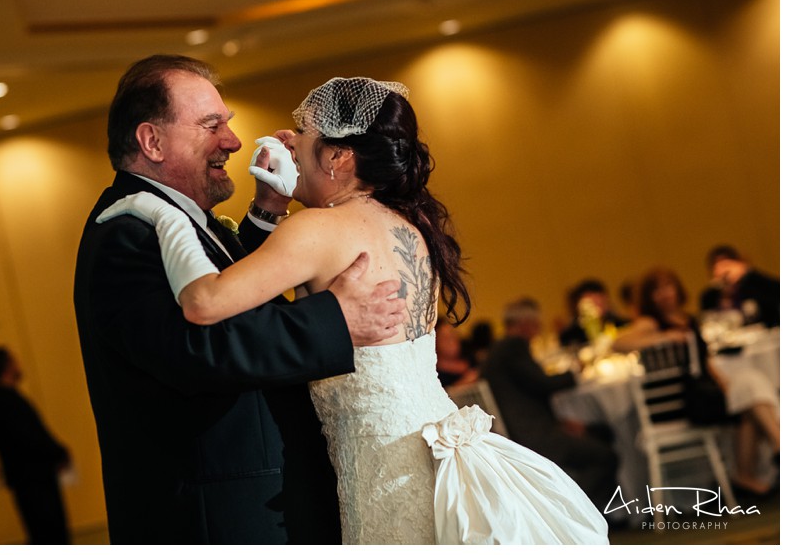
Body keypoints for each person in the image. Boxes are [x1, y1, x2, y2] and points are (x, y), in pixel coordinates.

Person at [98, 76, 608, 544]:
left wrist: (158, 215)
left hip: (379, 469)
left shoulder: (316, 230)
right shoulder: (410, 227)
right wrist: (270, 209)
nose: (288, 142)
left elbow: (206, 301)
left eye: (302, 132)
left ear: (338, 158)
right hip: (428, 454)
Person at [73, 56, 407, 545]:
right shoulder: (126, 232)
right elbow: (197, 349)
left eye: (226, 123)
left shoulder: (174, 218)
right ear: (152, 141)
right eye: (212, 125)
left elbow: (229, 294)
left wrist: (266, 212)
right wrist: (333, 319)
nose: (232, 141)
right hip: (217, 520)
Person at [612, 266, 780, 496]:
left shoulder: (688, 319)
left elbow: (705, 362)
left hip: (707, 392)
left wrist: (723, 384)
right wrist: (663, 337)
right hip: (687, 402)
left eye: (668, 287)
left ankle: (749, 471)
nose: (665, 293)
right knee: (750, 388)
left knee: (749, 394)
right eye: (657, 290)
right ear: (649, 297)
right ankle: (776, 445)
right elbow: (619, 344)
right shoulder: (651, 322)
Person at [481, 298, 619, 511]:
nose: (538, 330)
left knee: (599, 434)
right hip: (535, 437)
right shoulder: (513, 347)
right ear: (525, 324)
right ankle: (570, 512)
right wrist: (576, 372)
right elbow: (542, 383)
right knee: (605, 456)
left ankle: (584, 511)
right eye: (536, 324)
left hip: (522, 431)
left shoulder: (496, 351)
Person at [0, 347, 71, 544]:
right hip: (35, 484)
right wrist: (58, 452)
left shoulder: (1, 402)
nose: (19, 364)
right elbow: (31, 438)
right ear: (7, 365)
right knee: (50, 536)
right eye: (15, 360)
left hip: (31, 483)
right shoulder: (7, 403)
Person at [698, 244, 780, 327]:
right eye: (716, 268)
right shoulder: (710, 296)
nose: (723, 272)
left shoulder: (755, 286)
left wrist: (749, 273)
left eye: (727, 266)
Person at [558, 279, 629, 348]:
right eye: (591, 304)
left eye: (600, 304)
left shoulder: (623, 326)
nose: (596, 309)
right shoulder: (571, 335)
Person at [434, 318, 478, 388]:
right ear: (435, 342)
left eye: (453, 335)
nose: (452, 342)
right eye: (445, 338)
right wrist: (463, 383)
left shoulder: (471, 358)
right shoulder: (435, 374)